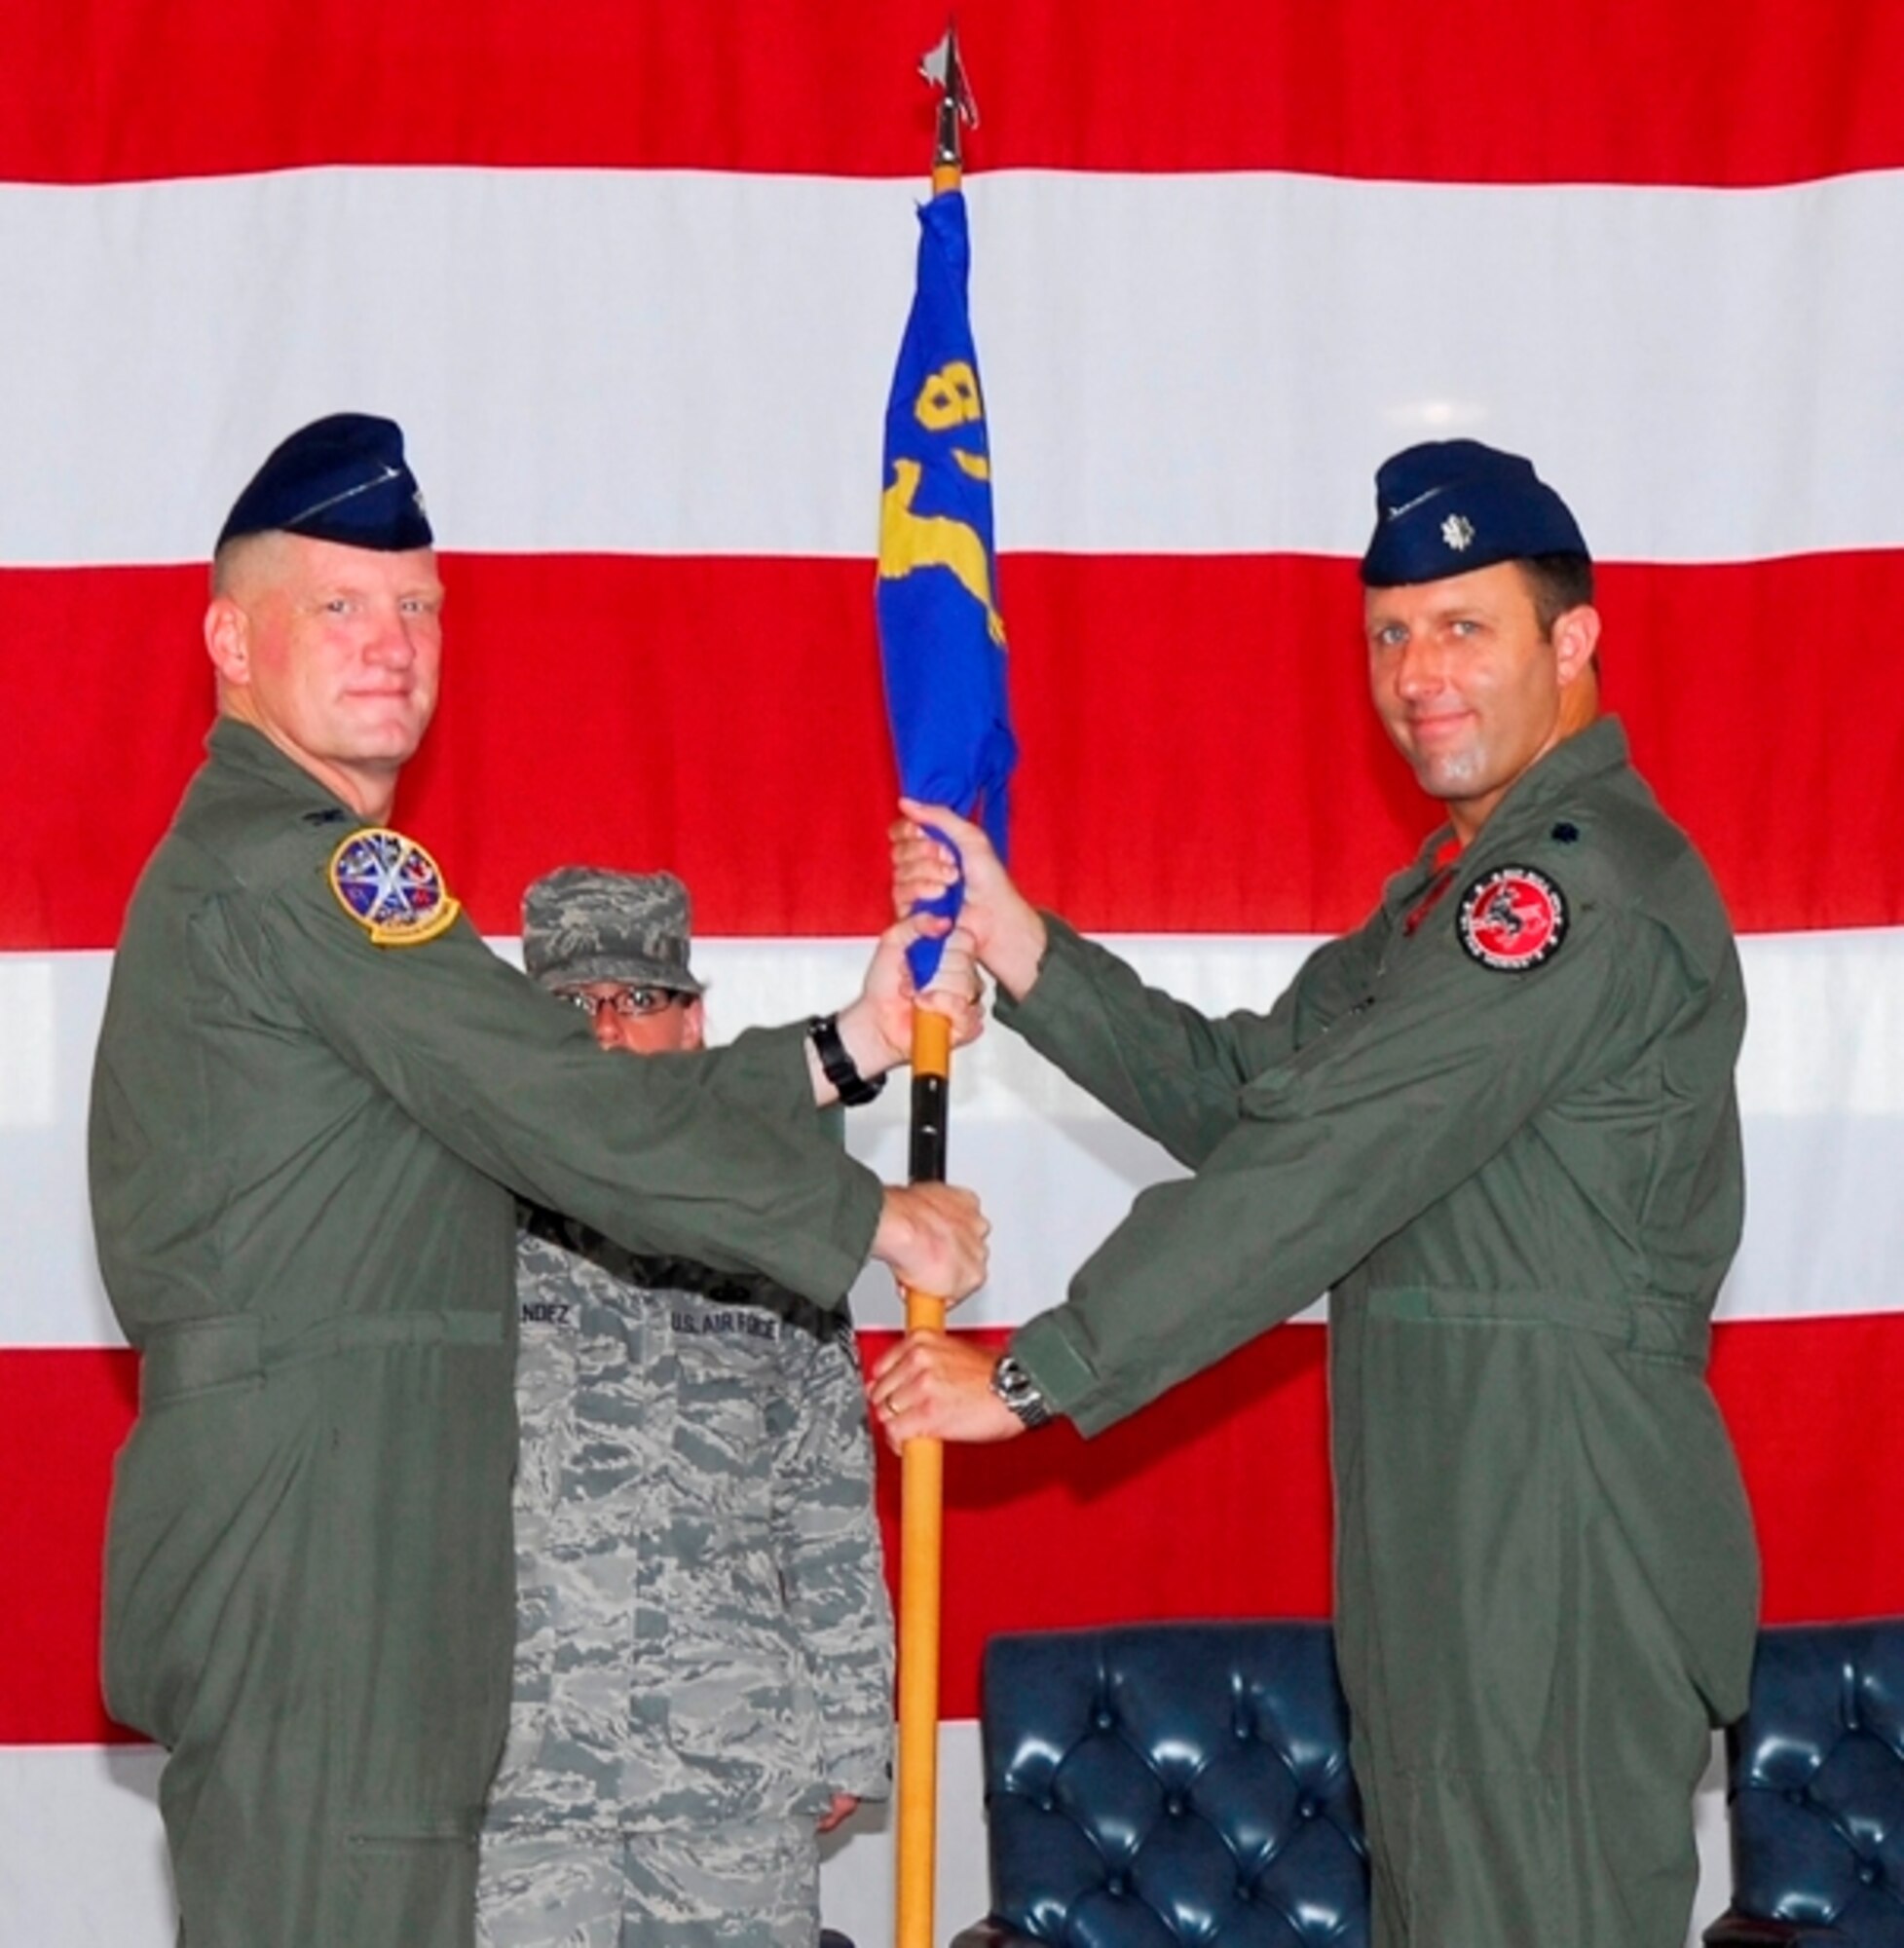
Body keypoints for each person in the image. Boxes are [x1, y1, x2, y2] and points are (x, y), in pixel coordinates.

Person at [88, 413, 985, 1948]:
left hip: (357, 1549)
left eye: (418, 608)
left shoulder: (297, 872)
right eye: (340, 606)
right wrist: (861, 1215)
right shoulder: (300, 868)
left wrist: (842, 1052)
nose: (391, 645)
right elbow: (560, 1104)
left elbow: (559, 1093)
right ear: (231, 639)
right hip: (327, 1557)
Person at [871, 439, 1760, 1948]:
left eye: (1462, 626)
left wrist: (1037, 1372)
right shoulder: (1449, 894)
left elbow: (1328, 1154)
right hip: (1450, 1554)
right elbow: (1254, 1098)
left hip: (1549, 1550)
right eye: (1388, 634)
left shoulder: (1571, 891)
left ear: (1573, 640)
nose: (1417, 672)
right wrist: (1025, 954)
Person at [479, 867, 894, 1948]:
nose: (609, 1028)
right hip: (521, 1769)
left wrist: (851, 1725)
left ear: (694, 1019)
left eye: (640, 998)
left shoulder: (772, 1227)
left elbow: (823, 1487)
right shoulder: (466, 1212)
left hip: (729, 1771)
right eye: (574, 1004)